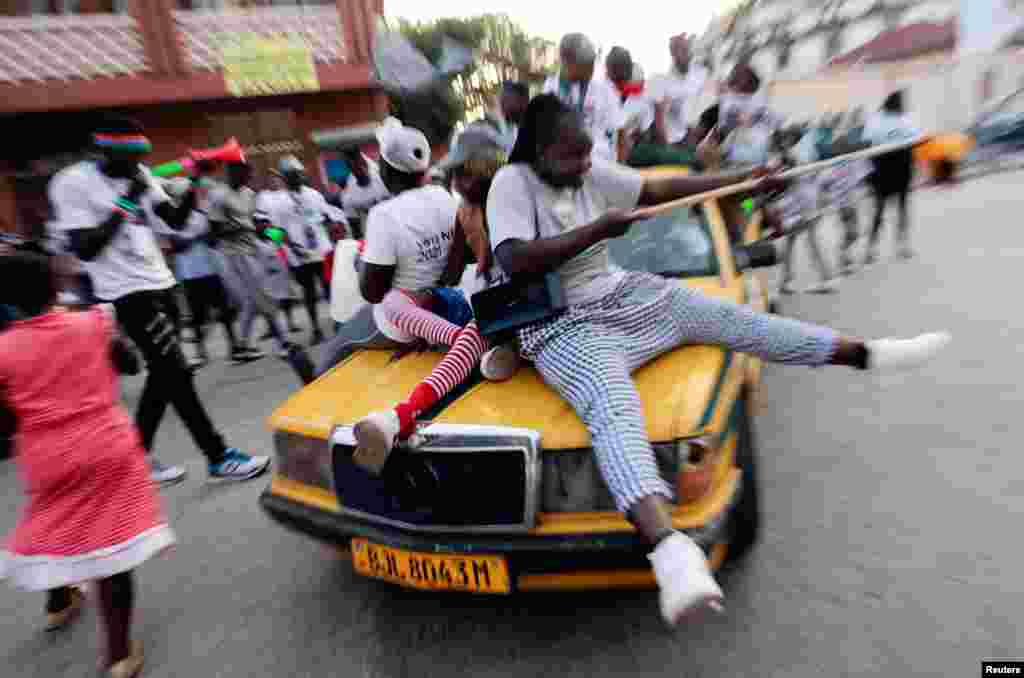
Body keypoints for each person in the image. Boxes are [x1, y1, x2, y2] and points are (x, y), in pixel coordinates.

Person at [487, 95, 951, 627]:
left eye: (588, 154)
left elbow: (657, 188)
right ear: (541, 152)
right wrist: (599, 230)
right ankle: (671, 552)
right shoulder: (512, 184)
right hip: (559, 323)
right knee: (612, 401)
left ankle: (862, 353)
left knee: (735, 321)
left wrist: (744, 181)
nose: (586, 166)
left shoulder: (587, 171)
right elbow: (514, 259)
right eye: (573, 158)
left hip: (619, 295)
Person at [48, 116, 272, 486]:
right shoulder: (73, 183)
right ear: (104, 151)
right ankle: (217, 455)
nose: (137, 165)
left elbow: (176, 220)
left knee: (168, 374)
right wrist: (127, 199)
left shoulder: (139, 175)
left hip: (161, 284)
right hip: (124, 292)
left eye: (141, 157)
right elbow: (86, 248)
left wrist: (197, 179)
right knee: (176, 372)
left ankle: (136, 457)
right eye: (130, 158)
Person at [0, 252, 174, 678]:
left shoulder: (2, 349)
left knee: (58, 519)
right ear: (54, 288)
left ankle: (60, 602)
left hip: (46, 456)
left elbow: (3, 421)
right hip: (107, 445)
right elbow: (131, 364)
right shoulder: (93, 322)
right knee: (111, 549)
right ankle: (118, 656)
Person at [351, 125, 518, 470]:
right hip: (477, 313)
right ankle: (400, 416)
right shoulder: (461, 209)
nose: (455, 181)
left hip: (514, 310)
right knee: (402, 306)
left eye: (463, 171)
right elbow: (455, 273)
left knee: (394, 308)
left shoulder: (515, 205)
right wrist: (431, 296)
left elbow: (514, 270)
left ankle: (400, 416)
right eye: (454, 172)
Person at [206, 161, 316, 381]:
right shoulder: (220, 196)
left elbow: (259, 225)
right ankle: (283, 342)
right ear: (233, 172)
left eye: (250, 172)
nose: (250, 177)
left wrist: (287, 242)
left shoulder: (248, 194)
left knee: (252, 300)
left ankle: (242, 346)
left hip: (251, 249)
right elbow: (213, 231)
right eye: (246, 173)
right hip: (233, 253)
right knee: (262, 295)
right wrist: (239, 226)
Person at [258, 155, 348, 345]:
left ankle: (338, 323)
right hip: (298, 253)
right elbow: (265, 228)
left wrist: (333, 227)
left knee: (329, 287)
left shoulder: (313, 194)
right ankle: (315, 328)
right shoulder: (277, 201)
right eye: (291, 175)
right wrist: (286, 242)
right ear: (285, 177)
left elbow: (325, 217)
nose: (296, 177)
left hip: (321, 249)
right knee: (308, 292)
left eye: (298, 173)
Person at [157, 178, 241, 368]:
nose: (194, 197)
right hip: (190, 274)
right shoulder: (172, 219)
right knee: (196, 317)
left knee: (224, 310)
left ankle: (234, 346)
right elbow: (177, 245)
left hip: (211, 269)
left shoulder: (202, 214)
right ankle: (200, 353)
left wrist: (213, 231)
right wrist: (198, 237)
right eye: (189, 194)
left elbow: (213, 241)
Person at [543, 33, 626, 162]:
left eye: (592, 64)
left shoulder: (604, 88)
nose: (591, 70)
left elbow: (621, 132)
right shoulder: (550, 88)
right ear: (567, 61)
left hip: (600, 163)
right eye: (586, 65)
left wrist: (621, 168)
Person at [863, 91, 920, 263]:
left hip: (896, 167)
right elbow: (869, 140)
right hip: (887, 168)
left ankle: (896, 246)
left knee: (896, 209)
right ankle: (874, 249)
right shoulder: (881, 119)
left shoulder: (900, 118)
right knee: (884, 209)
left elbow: (914, 138)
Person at [646, 34, 708, 150]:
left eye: (686, 49)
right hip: (671, 141)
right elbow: (658, 119)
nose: (686, 54)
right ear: (672, 54)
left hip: (693, 136)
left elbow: (706, 100)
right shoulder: (662, 81)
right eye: (680, 50)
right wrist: (667, 148)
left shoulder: (700, 73)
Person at [336, 149, 390, 240]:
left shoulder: (384, 180)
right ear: (350, 169)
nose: (360, 168)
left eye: (362, 164)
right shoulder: (348, 196)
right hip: (374, 237)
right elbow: (356, 231)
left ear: (365, 163)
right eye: (354, 167)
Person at [480, 81, 530, 154]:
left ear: (523, 102)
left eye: (506, 100)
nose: (502, 105)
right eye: (501, 101)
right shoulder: (509, 128)